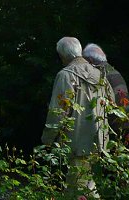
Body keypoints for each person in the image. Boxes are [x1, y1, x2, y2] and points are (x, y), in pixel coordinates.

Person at [42, 36, 113, 197]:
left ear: (62, 56)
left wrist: (47, 140)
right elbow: (111, 104)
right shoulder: (99, 74)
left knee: (80, 191)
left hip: (77, 143)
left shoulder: (66, 75)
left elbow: (58, 112)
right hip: (100, 142)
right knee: (86, 186)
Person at [82, 43, 129, 108]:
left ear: (90, 60)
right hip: (125, 115)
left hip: (115, 115)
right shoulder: (114, 72)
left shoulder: (100, 75)